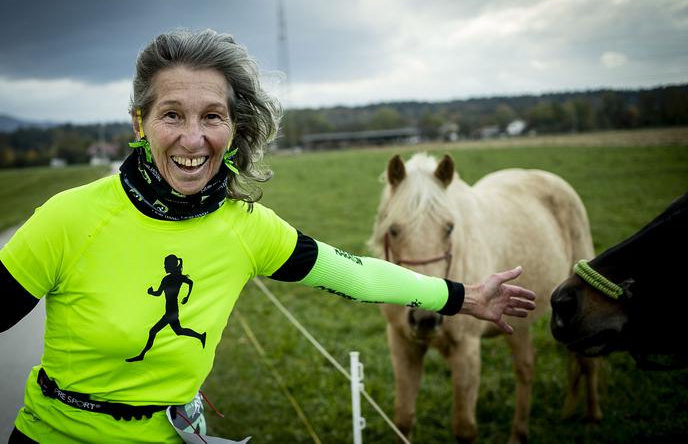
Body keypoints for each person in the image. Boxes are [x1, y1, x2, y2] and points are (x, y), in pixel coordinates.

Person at [0, 29, 536, 443]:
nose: (194, 138)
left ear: (235, 127)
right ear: (140, 123)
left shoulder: (245, 228)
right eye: (171, 115)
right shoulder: (67, 217)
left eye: (213, 116)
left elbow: (354, 273)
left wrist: (463, 296)